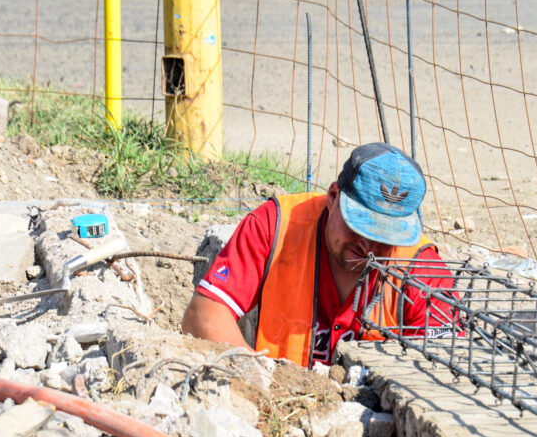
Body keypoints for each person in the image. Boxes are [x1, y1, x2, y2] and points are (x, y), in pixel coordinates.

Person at [181, 142, 458, 368]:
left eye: (383, 238)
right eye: (358, 226)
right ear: (333, 197)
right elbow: (203, 315)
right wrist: (260, 380)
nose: (367, 247)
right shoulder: (276, 226)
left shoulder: (422, 268)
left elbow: (443, 367)